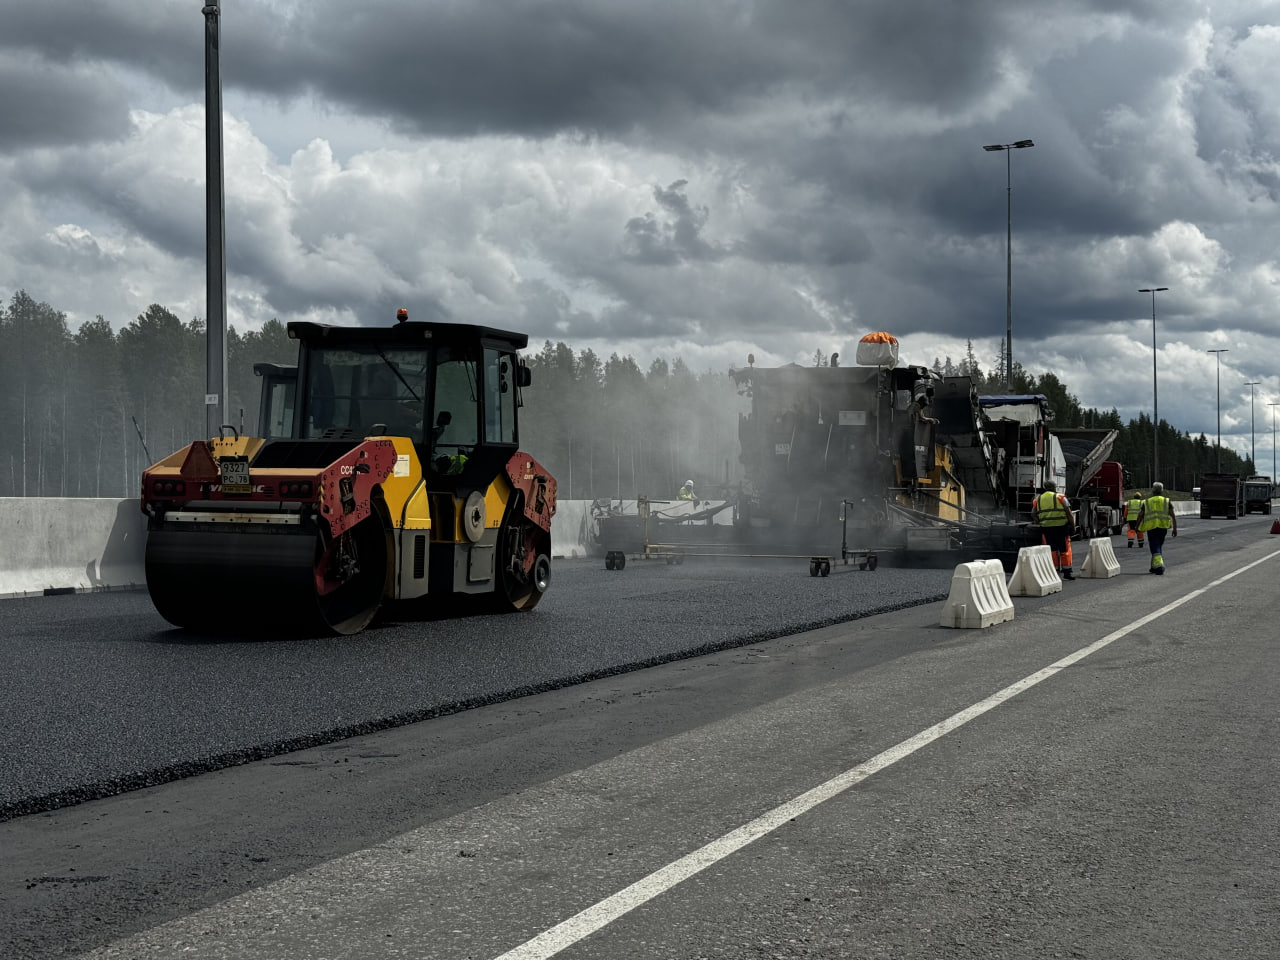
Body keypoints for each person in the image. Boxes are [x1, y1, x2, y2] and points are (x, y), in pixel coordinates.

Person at [1033, 479, 1077, 580]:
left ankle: (1054, 573)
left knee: (1052, 550)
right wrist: (1073, 526)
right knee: (1065, 550)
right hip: (1061, 528)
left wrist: (1039, 522)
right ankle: (1067, 573)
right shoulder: (1060, 497)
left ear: (1044, 488)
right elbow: (1069, 513)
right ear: (1054, 487)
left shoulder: (1038, 499)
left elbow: (1033, 513)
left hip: (1046, 529)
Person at [1136, 481, 1177, 574]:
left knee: (1154, 547)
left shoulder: (1147, 502)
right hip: (1163, 527)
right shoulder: (1166, 501)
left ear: (1153, 490)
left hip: (1151, 528)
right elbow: (1173, 516)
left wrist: (1137, 527)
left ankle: (1159, 567)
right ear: (1162, 491)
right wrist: (1174, 528)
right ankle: (1154, 566)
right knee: (1158, 546)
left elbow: (1140, 515)